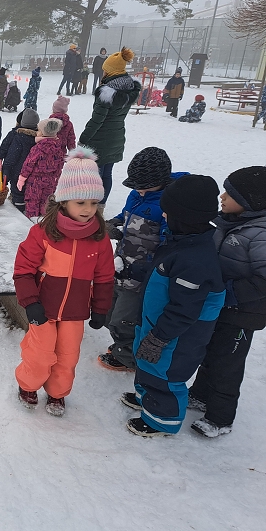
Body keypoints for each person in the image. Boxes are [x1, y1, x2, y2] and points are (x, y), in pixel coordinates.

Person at [120, 174, 225, 437]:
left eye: (168, 212)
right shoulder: (180, 241)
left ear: (185, 216)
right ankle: (147, 399)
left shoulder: (196, 260)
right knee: (146, 362)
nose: (163, 216)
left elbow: (185, 309)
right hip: (156, 324)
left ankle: (161, 420)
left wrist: (160, 337)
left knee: (165, 375)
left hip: (175, 337)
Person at [13, 151, 115, 416]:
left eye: (94, 202)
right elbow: (23, 270)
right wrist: (30, 302)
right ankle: (28, 385)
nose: (88, 209)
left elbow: (104, 276)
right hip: (43, 308)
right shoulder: (42, 233)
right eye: (80, 201)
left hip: (75, 310)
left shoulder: (99, 238)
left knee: (68, 356)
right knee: (41, 352)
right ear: (63, 202)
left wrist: (101, 308)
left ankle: (57, 394)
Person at [188, 167, 266, 438]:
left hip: (242, 313)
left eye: (229, 193)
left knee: (227, 365)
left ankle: (220, 418)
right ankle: (199, 395)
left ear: (249, 202)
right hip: (219, 305)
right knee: (208, 352)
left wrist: (227, 292)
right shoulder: (229, 222)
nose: (222, 197)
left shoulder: (260, 234)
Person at [99, 148, 186, 371]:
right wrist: (113, 224)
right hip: (122, 264)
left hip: (141, 274)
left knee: (124, 318)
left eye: (142, 184)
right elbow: (125, 214)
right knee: (110, 309)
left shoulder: (169, 204)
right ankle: (122, 344)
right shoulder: (137, 194)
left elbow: (170, 243)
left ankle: (126, 357)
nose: (137, 189)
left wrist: (148, 266)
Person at [79, 47, 141, 207]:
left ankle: (92, 205)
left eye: (105, 69)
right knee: (107, 174)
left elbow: (97, 120)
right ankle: (100, 206)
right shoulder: (129, 89)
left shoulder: (106, 94)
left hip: (100, 140)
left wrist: (83, 139)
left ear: (110, 71)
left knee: (96, 176)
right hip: (117, 137)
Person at [16, 118, 65, 218]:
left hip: (35, 181)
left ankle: (32, 222)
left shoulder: (38, 147)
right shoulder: (58, 148)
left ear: (42, 133)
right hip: (50, 180)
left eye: (38, 130)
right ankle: (44, 221)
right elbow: (60, 165)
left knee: (32, 202)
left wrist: (22, 178)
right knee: (46, 203)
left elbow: (29, 163)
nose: (37, 132)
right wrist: (56, 179)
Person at [0, 108, 40, 212]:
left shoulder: (18, 137)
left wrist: (5, 172)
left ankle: (19, 213)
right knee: (26, 191)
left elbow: (11, 156)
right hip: (32, 172)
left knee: (17, 192)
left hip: (17, 171)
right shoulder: (39, 138)